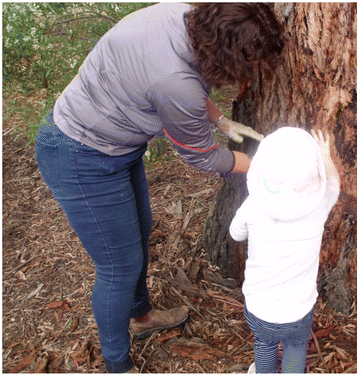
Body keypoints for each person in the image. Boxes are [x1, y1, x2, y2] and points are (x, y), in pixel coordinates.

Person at [35, 3, 284, 373]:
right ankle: (118, 365)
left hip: (114, 143)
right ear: (227, 53)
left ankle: (141, 317)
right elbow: (200, 155)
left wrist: (220, 122)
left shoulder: (180, 13)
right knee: (118, 266)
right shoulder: (173, 83)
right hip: (81, 157)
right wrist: (262, 166)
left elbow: (181, 84)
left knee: (139, 233)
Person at [230, 127, 341, 373]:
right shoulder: (319, 205)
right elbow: (334, 184)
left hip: (260, 307)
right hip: (299, 307)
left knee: (265, 344)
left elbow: (235, 233)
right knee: (296, 346)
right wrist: (325, 155)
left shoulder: (253, 206)